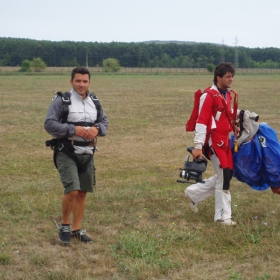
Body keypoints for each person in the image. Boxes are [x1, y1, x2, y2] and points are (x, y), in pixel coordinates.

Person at [44, 67, 108, 243]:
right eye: (78, 81)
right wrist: (72, 129)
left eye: (85, 81)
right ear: (71, 81)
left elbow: (104, 122)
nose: (81, 84)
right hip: (66, 151)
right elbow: (49, 124)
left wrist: (97, 129)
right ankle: (65, 225)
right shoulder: (62, 100)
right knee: (72, 190)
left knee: (82, 192)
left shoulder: (94, 100)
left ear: (89, 82)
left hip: (87, 153)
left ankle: (76, 230)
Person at [184, 62, 238, 226]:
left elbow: (225, 115)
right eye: (228, 76)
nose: (231, 79)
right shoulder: (208, 96)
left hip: (225, 140)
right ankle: (222, 217)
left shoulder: (226, 94)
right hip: (213, 142)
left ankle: (193, 194)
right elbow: (202, 121)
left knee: (226, 174)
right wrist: (198, 145)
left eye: (232, 76)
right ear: (218, 77)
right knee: (224, 175)